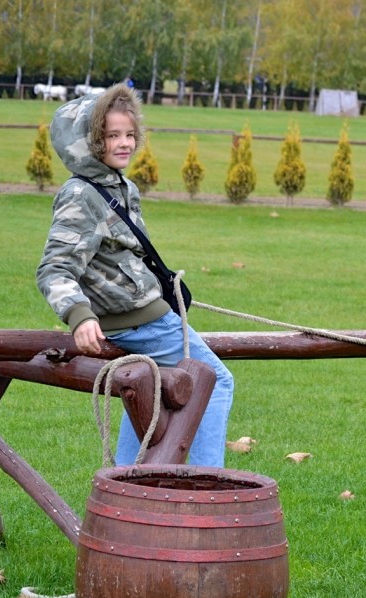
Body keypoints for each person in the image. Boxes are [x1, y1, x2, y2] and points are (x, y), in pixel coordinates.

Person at [36, 83, 233, 467]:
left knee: (146, 393)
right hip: (141, 325)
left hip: (148, 317)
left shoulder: (121, 186)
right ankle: (210, 484)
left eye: (129, 134)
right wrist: (79, 315)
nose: (125, 143)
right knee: (214, 382)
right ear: (89, 142)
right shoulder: (81, 194)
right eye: (112, 136)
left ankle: (126, 482)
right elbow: (55, 267)